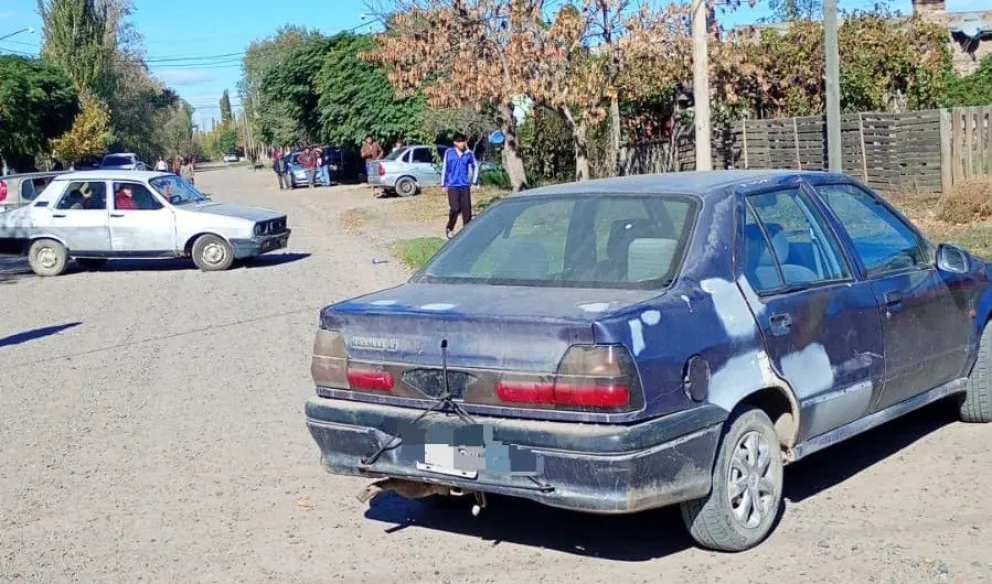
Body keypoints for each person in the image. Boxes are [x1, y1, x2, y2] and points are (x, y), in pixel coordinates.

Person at [441, 133, 479, 239]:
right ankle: (450, 227)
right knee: (455, 208)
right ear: (455, 142)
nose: (462, 143)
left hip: (464, 185)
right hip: (452, 185)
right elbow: (445, 168)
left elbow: (475, 166)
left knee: (466, 209)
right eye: (460, 141)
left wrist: (474, 182)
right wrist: (443, 184)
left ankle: (467, 232)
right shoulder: (449, 153)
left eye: (463, 141)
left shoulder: (469, 153)